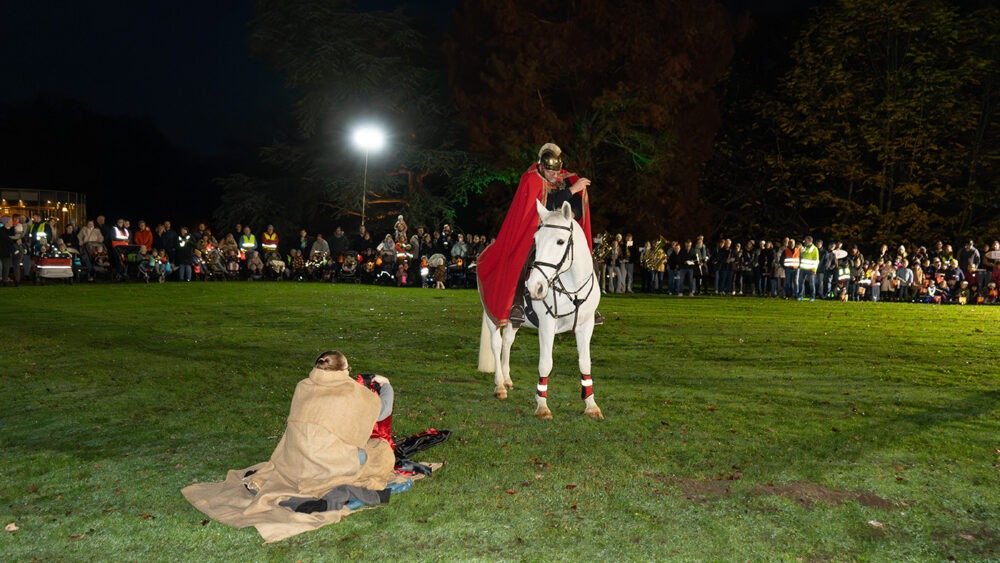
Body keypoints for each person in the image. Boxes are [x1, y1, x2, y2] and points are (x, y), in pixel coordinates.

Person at [181, 351, 398, 543]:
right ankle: (328, 479)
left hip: (294, 459)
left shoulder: (303, 386)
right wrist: (386, 384)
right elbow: (382, 410)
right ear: (343, 370)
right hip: (327, 463)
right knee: (381, 452)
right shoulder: (349, 392)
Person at [476, 142, 599, 328]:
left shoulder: (566, 179)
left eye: (557, 171)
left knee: (589, 260)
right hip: (536, 231)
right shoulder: (531, 179)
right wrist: (571, 191)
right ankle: (516, 304)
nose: (554, 175)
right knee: (523, 258)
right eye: (550, 171)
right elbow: (544, 204)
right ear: (541, 166)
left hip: (560, 230)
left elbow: (574, 202)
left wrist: (573, 211)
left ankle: (589, 306)